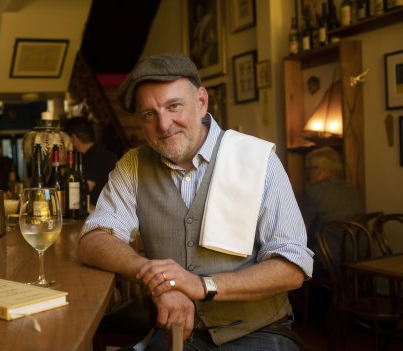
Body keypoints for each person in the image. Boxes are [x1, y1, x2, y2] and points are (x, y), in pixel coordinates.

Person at [77, 53, 313, 350]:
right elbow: (93, 238)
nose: (164, 125)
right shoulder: (132, 166)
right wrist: (156, 278)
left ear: (202, 101)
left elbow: (292, 266)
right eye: (149, 114)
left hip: (257, 333)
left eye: (174, 106)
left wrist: (203, 286)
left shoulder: (258, 159)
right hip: (175, 333)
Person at [301, 146, 365, 276]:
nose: (307, 173)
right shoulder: (351, 188)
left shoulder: (314, 191)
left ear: (320, 170)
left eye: (309, 169)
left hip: (331, 259)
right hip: (360, 255)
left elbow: (300, 228)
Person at [64, 117, 118, 205]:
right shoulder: (98, 153)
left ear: (73, 138)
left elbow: (80, 192)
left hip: (100, 213)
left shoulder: (96, 157)